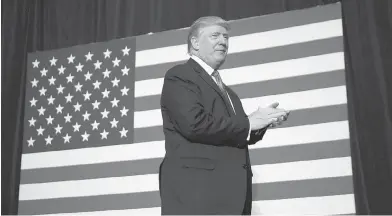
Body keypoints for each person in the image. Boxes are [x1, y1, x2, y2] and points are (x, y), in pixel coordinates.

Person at [158, 16, 290, 215]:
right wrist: (248, 123)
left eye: (226, 37)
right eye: (215, 35)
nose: (223, 41)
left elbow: (233, 133)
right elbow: (194, 125)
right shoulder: (180, 76)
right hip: (198, 197)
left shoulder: (230, 94)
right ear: (194, 42)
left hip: (232, 199)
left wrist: (262, 123)